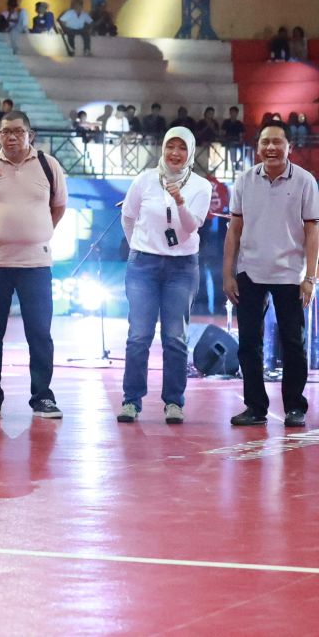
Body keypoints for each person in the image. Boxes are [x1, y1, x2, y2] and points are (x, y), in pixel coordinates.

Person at [0, 110, 68, 419]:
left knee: (39, 333)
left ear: (30, 135)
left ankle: (42, 396)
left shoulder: (49, 166)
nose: (12, 137)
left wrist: (34, 233)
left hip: (36, 265)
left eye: (18, 131)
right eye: (6, 132)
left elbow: (58, 207)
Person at [223, 122, 319, 428]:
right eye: (265, 142)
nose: (271, 148)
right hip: (250, 271)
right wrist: (228, 273)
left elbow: (312, 231)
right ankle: (255, 407)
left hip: (291, 275)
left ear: (289, 147)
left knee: (293, 342)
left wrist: (311, 277)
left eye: (277, 142)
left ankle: (294, 407)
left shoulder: (305, 182)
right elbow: (234, 230)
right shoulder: (245, 181)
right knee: (248, 343)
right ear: (258, 146)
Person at [116, 127, 211, 424]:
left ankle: (174, 402)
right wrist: (139, 248)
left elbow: (190, 227)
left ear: (190, 152)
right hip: (143, 265)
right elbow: (128, 217)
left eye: (182, 148)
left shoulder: (201, 186)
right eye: (170, 146)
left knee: (175, 337)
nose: (175, 153)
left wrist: (180, 200)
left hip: (182, 268)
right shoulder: (144, 180)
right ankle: (131, 401)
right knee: (138, 336)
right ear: (163, 148)